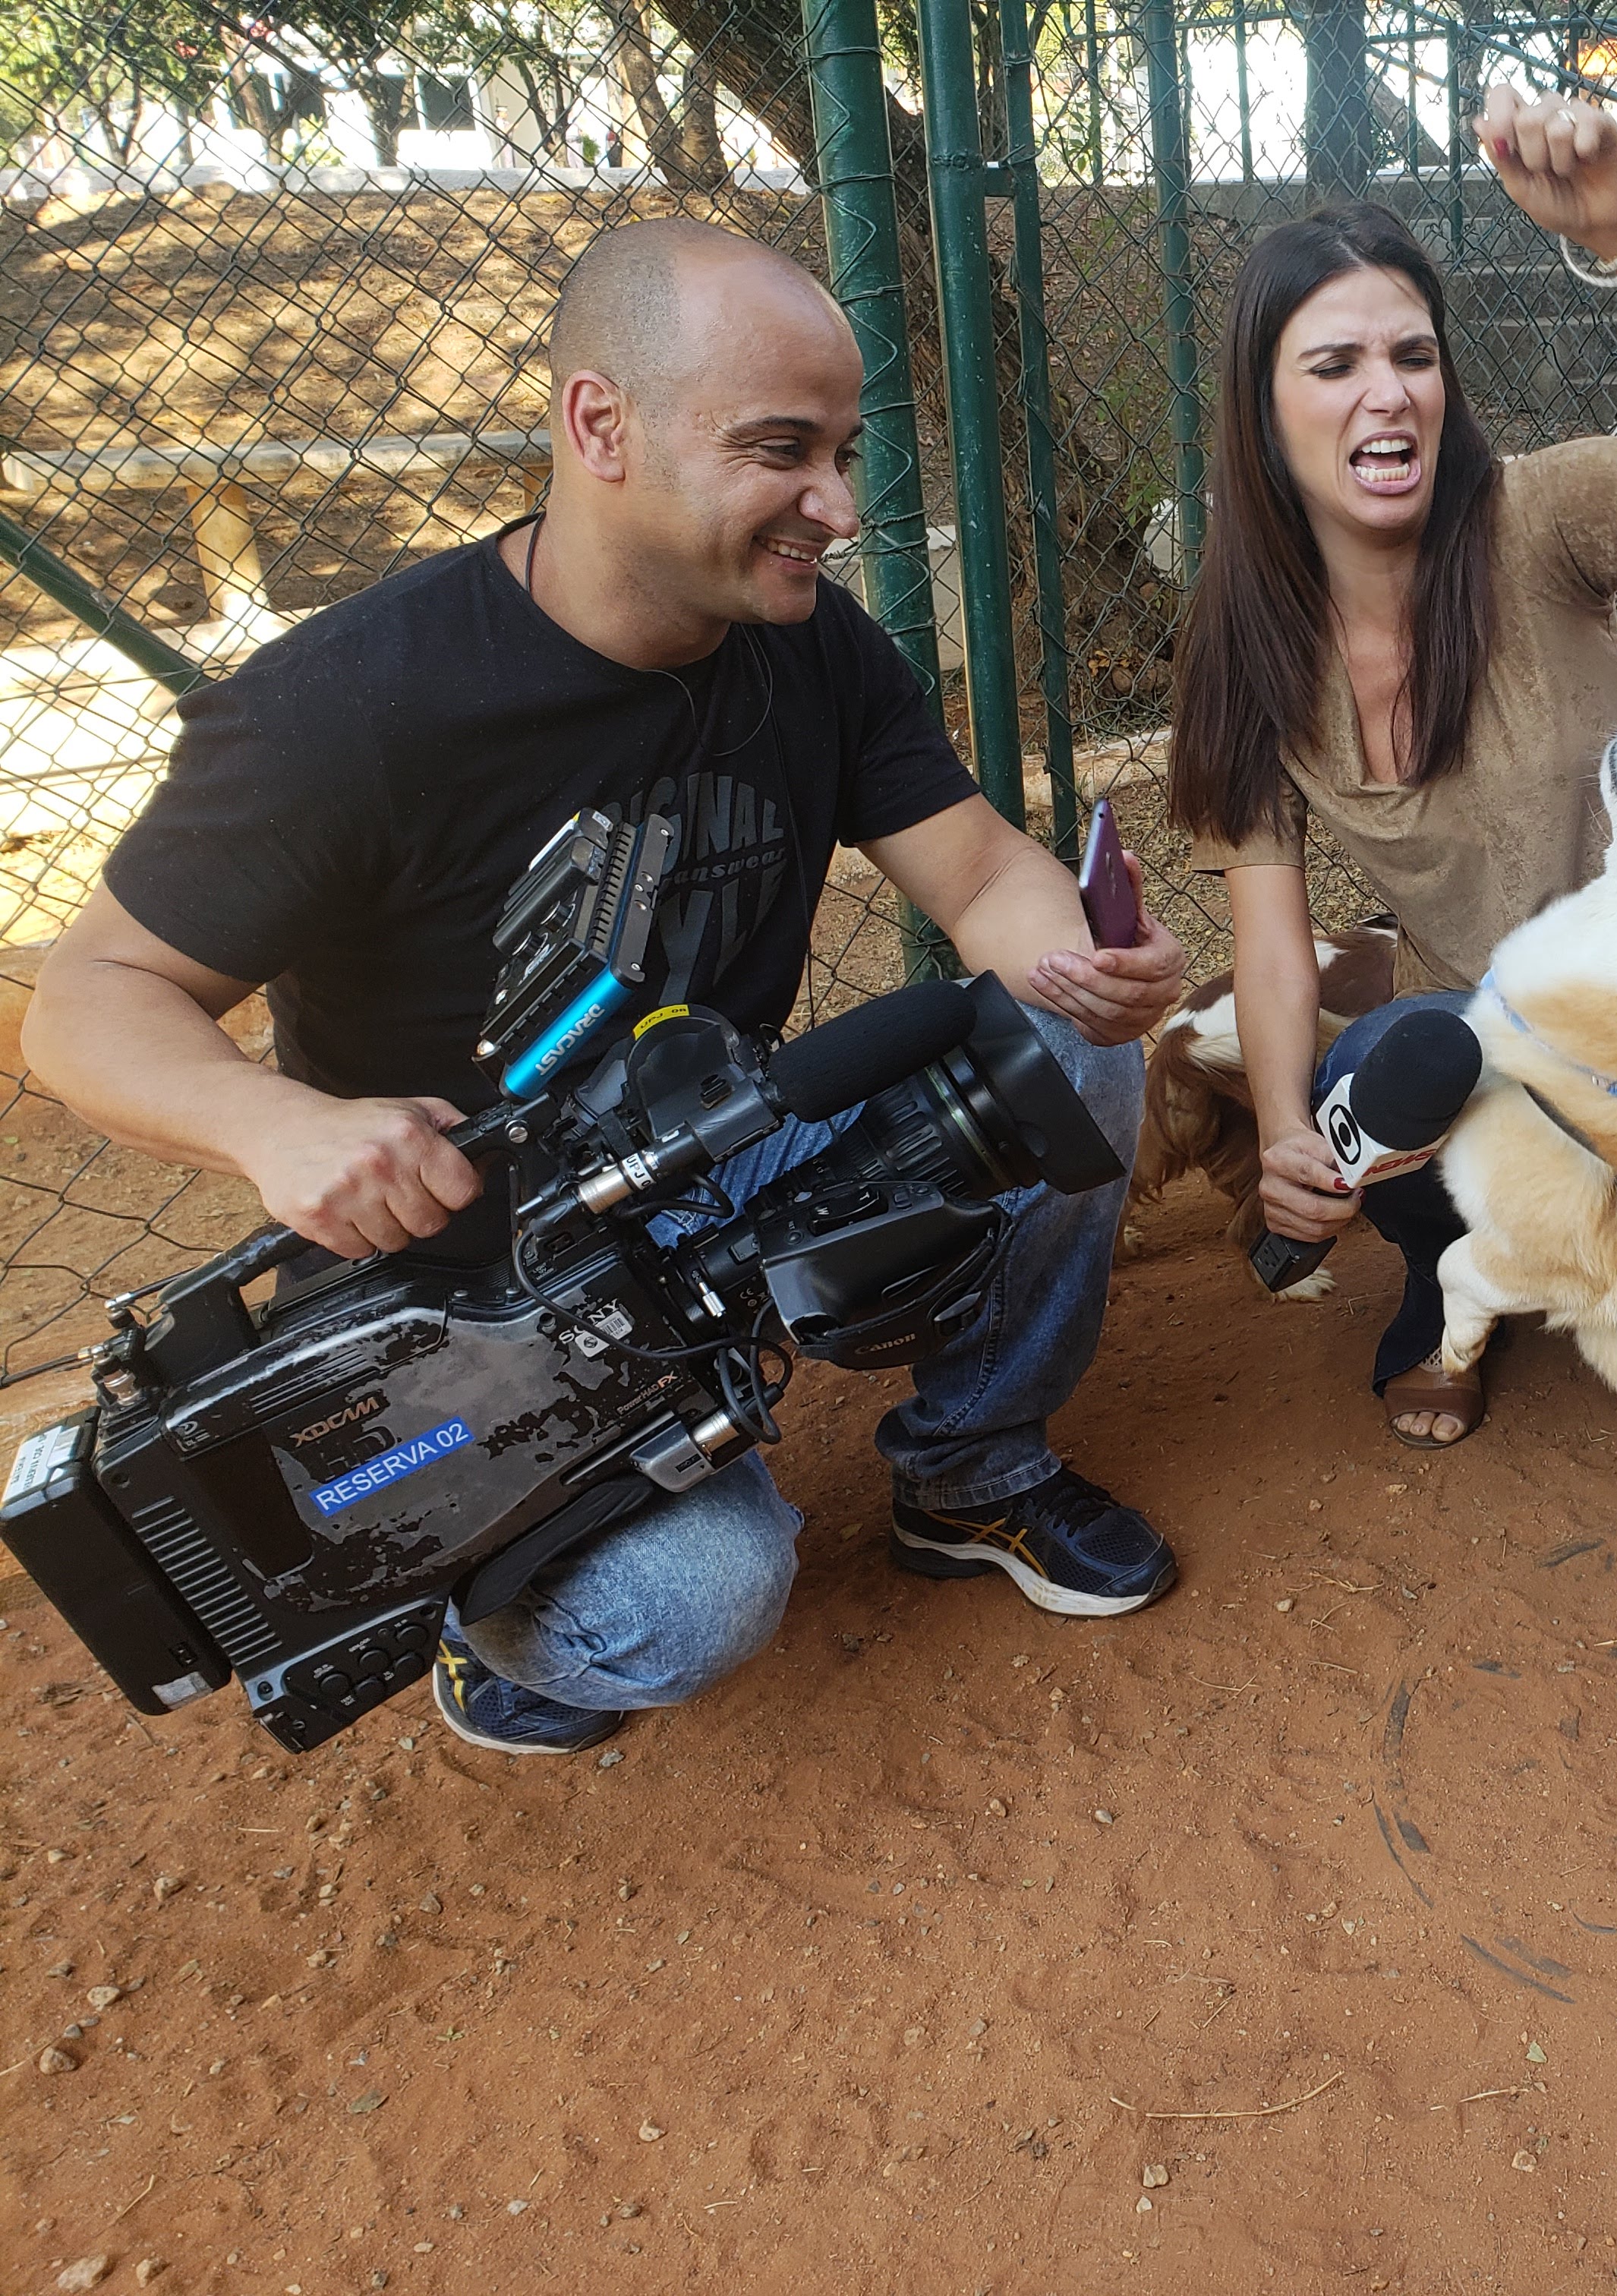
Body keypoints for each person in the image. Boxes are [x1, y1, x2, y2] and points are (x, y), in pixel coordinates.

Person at [22, 219, 1192, 1757]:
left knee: (1062, 1042)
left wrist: (1084, 965)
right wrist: (276, 1125)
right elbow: (85, 998)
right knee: (694, 1603)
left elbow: (979, 876)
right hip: (467, 1280)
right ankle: (488, 1629)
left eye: (843, 452)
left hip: (718, 1163)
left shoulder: (812, 648)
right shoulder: (354, 709)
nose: (836, 508)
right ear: (599, 424)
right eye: (782, 451)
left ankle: (971, 1471)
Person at [1168, 89, 1617, 1449]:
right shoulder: (1243, 651)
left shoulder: (1533, 519)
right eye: (1333, 363)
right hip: (1466, 1055)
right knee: (1408, 1058)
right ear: (1263, 405)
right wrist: (1294, 1135)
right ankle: (1450, 1270)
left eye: (1412, 353)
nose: (1387, 390)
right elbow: (1274, 949)